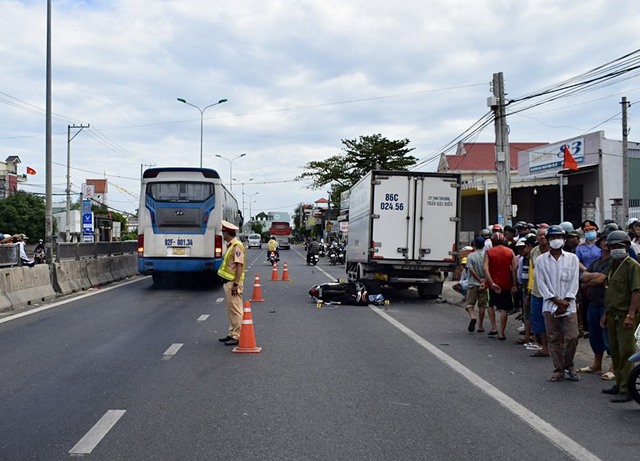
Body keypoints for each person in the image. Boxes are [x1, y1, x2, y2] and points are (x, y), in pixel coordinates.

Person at [534, 225, 581, 382]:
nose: (556, 241)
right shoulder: (540, 260)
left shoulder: (572, 258)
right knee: (554, 339)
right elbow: (541, 283)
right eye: (553, 238)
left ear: (563, 239)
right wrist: (555, 300)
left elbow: (574, 281)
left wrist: (566, 300)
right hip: (550, 305)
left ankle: (569, 364)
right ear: (548, 240)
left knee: (573, 337)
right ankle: (558, 369)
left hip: (569, 305)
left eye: (558, 238)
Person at [600, 230, 640, 402]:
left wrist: (631, 314)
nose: (616, 249)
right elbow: (611, 291)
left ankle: (627, 388)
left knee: (626, 352)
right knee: (614, 351)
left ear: (626, 246)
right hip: (613, 313)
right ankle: (619, 383)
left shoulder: (632, 266)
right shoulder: (613, 264)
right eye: (613, 246)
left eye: (619, 246)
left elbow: (636, 292)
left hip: (626, 315)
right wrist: (606, 313)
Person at [579, 233, 612, 376]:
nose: (605, 243)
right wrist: (592, 279)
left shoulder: (614, 262)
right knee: (594, 335)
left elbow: (601, 280)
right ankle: (597, 364)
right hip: (593, 303)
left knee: (609, 337)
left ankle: (613, 368)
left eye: (608, 241)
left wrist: (590, 279)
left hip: (607, 304)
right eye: (603, 240)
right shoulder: (597, 261)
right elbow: (583, 277)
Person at [482, 232, 518, 340]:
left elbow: (485, 268)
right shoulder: (510, 252)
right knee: (504, 308)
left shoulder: (489, 252)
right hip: (506, 284)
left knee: (490, 304)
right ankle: (502, 333)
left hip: (492, 284)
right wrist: (514, 284)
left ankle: (494, 327)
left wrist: (491, 282)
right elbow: (514, 269)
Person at [217, 220, 246, 347]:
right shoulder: (231, 246)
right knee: (231, 310)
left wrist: (235, 284)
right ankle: (232, 333)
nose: (223, 235)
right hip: (229, 283)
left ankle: (237, 335)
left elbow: (239, 266)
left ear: (228, 233)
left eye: (223, 232)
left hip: (233, 283)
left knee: (236, 310)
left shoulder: (237, 246)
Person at [527, 227, 551, 357]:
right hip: (537, 291)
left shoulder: (554, 251)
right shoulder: (534, 252)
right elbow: (533, 271)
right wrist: (530, 288)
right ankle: (545, 347)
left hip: (552, 292)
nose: (542, 237)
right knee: (539, 321)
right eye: (539, 235)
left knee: (553, 321)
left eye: (544, 235)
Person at [463, 237, 487, 333]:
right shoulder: (486, 255)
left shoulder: (471, 256)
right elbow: (487, 269)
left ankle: (473, 316)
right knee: (482, 306)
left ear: (474, 245)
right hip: (484, 284)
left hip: (473, 283)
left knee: (469, 304)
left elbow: (471, 270)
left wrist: (478, 279)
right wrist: (483, 280)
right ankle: (480, 326)